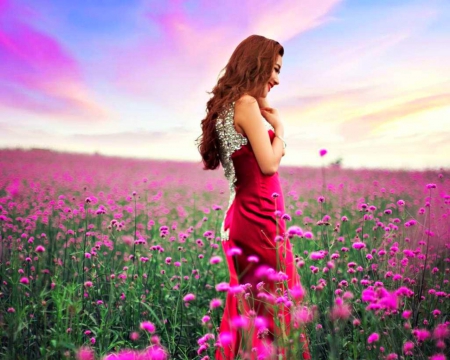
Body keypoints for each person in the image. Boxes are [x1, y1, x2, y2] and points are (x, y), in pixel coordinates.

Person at [197, 35, 310, 360]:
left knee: (254, 311)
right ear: (256, 64)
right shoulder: (246, 105)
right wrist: (281, 131)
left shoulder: (232, 106)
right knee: (277, 309)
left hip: (246, 216)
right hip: (260, 219)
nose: (277, 79)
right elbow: (268, 163)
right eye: (274, 69)